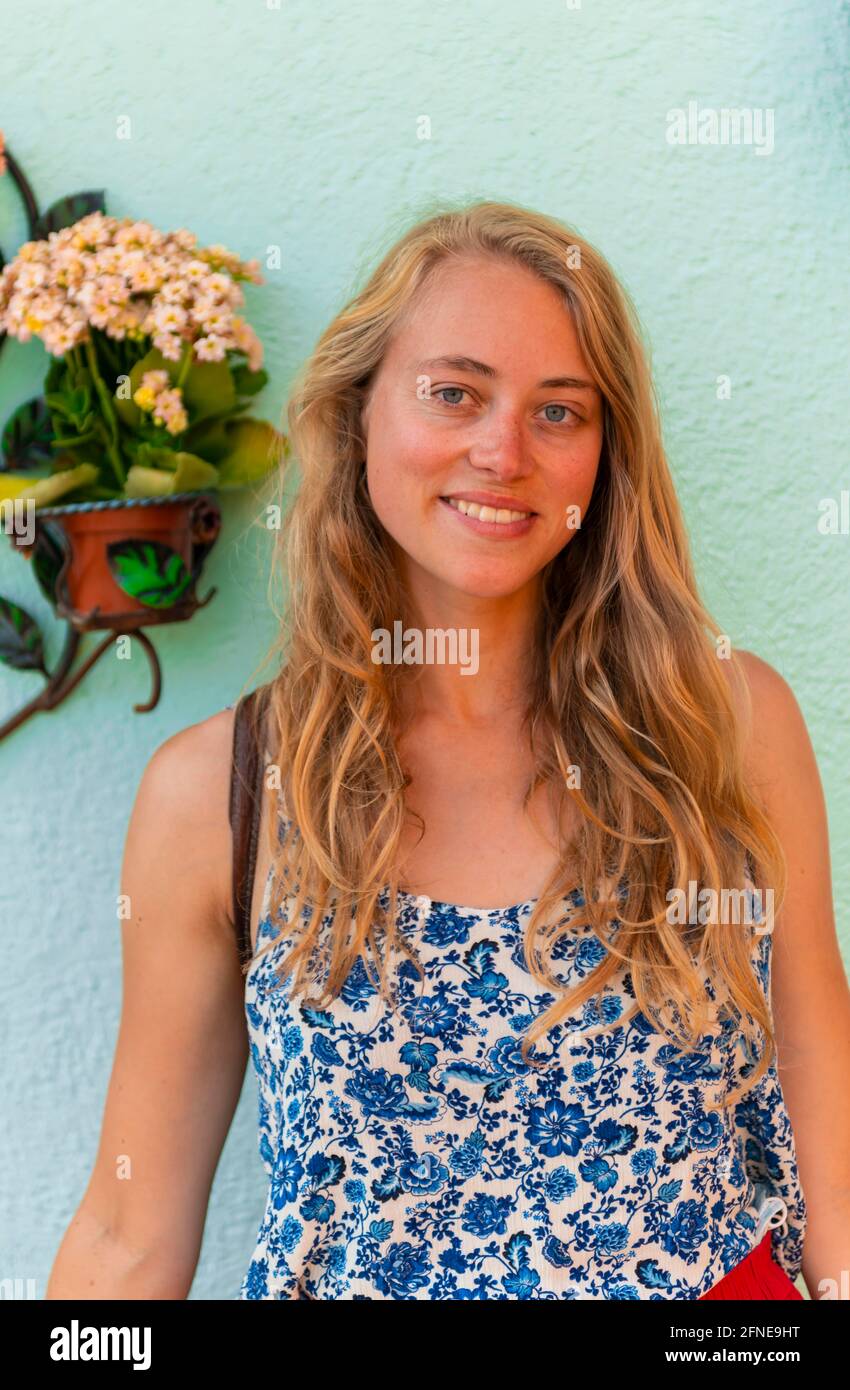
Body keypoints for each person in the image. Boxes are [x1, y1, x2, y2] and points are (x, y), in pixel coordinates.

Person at [47, 200, 849, 1301]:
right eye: (453, 393)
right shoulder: (219, 795)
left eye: (559, 412)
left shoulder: (727, 726)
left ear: (605, 456)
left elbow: (830, 1167)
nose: (502, 451)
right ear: (356, 413)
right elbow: (129, 1236)